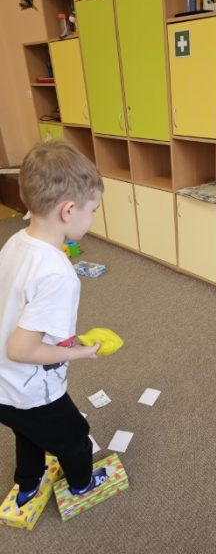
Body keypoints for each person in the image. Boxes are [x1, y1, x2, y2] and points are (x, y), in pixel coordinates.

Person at [0, 140, 107, 507]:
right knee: (74, 435)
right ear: (69, 210)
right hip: (29, 386)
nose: (92, 219)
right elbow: (21, 349)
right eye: (92, 210)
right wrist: (79, 352)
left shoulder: (16, 242)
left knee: (27, 431)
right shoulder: (58, 274)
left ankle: (28, 484)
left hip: (4, 388)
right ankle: (82, 485)